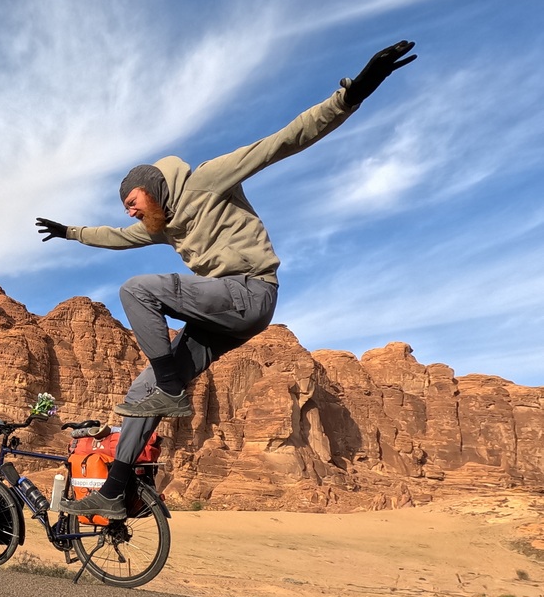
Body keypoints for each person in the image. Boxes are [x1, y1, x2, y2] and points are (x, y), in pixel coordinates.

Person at [36, 41, 417, 519]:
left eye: (131, 200)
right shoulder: (165, 225)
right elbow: (116, 236)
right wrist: (71, 232)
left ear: (152, 187)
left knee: (137, 290)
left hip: (251, 290)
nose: (129, 210)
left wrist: (352, 93)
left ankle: (172, 389)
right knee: (139, 396)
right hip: (222, 316)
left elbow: (283, 140)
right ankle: (116, 490)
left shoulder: (207, 179)